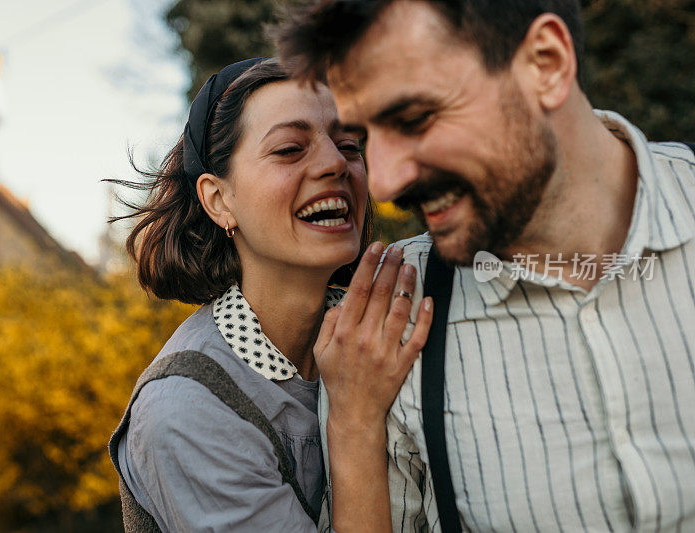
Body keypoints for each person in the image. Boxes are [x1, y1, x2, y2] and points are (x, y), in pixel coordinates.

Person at [276, 1, 695, 531]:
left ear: (546, 64)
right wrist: (353, 429)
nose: (382, 185)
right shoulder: (387, 318)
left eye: (414, 119)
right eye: (365, 139)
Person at [106, 58, 434, 532]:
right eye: (288, 149)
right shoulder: (185, 413)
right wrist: (354, 419)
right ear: (219, 200)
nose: (334, 164)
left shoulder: (376, 330)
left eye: (348, 145)